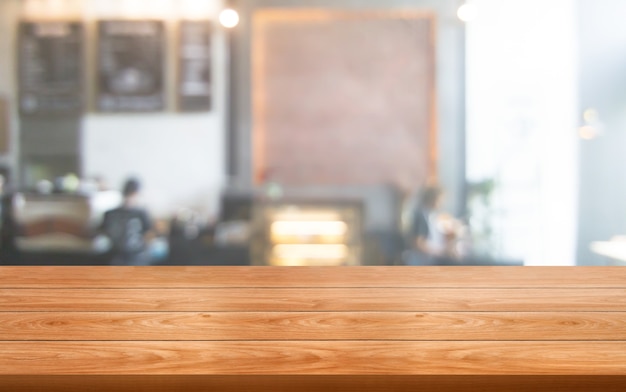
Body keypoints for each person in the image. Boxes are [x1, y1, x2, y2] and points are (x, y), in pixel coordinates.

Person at [100, 178, 153, 265]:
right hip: (134, 257)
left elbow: (103, 231)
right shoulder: (141, 213)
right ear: (136, 193)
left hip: (115, 256)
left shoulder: (110, 213)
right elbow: (149, 234)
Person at [404, 185, 462, 265]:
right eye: (440, 199)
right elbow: (418, 243)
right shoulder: (421, 215)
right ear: (433, 198)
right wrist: (442, 251)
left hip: (435, 258)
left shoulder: (433, 216)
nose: (442, 202)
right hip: (424, 260)